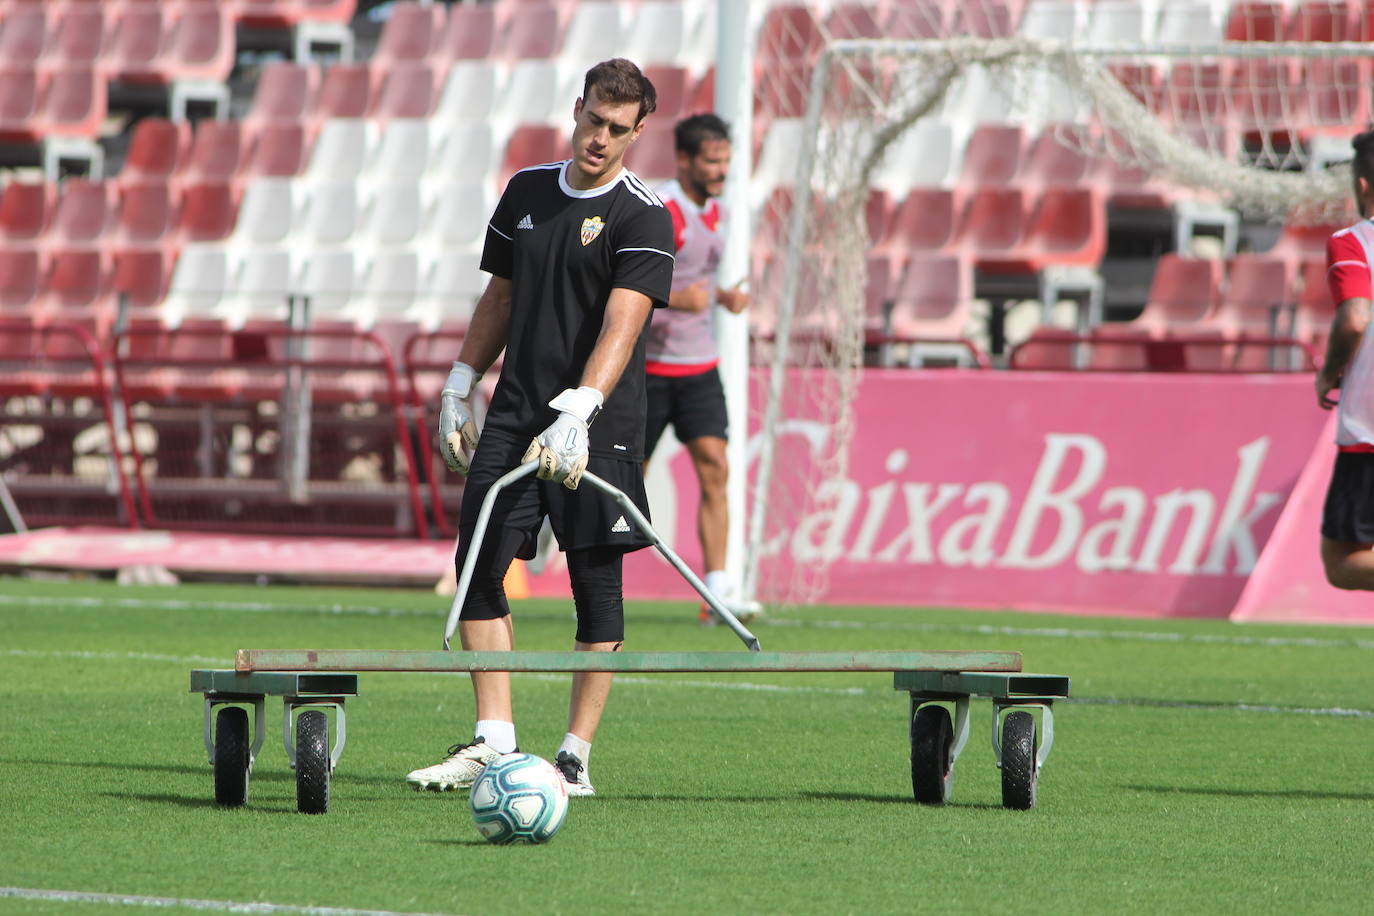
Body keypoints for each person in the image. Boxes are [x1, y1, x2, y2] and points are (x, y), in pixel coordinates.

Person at [406, 59, 674, 797]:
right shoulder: (527, 190)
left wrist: (580, 409)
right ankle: (494, 743)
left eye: (619, 129)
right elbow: (500, 296)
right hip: (516, 411)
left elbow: (624, 324)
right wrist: (460, 384)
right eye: (594, 119)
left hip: (596, 423)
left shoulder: (644, 214)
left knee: (597, 585)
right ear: (577, 108)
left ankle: (573, 759)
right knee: (477, 568)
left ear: (638, 131)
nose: (601, 138)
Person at [643, 113, 760, 624]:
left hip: (698, 367)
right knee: (624, 482)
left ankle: (717, 592)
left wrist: (723, 297)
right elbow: (623, 287)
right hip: (645, 369)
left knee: (716, 466)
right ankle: (587, 567)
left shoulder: (721, 214)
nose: (721, 170)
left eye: (726, 161)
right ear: (685, 160)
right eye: (712, 160)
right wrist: (670, 298)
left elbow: (701, 286)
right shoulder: (660, 211)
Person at [1316, 128, 1374, 591]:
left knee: (1345, 562)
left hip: (1369, 431)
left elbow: (1355, 318)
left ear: (1361, 185)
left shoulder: (1354, 241)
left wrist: (1329, 370)